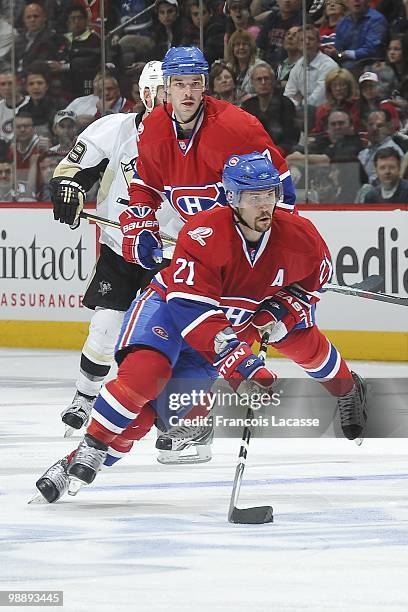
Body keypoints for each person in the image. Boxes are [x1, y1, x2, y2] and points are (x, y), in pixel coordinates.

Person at [34, 152, 368, 504]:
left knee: (143, 419)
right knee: (146, 376)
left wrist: (281, 312)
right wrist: (239, 364)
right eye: (254, 197)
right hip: (169, 314)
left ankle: (77, 464)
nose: (265, 204)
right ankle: (90, 446)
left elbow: (313, 287)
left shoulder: (300, 237)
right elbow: (191, 311)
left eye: (269, 193)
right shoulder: (204, 233)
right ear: (233, 197)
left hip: (225, 332)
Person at [49, 61, 166, 440]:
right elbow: (71, 170)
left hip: (169, 258)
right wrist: (68, 188)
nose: (178, 98)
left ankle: (174, 416)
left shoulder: (197, 139)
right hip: (120, 249)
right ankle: (85, 397)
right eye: (167, 90)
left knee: (165, 338)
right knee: (105, 327)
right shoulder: (116, 128)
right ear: (148, 94)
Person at [241, 61, 299, 155]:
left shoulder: (286, 104)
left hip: (281, 153)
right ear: (252, 82)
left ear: (273, 80)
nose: (263, 82)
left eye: (266, 78)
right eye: (259, 79)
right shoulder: (247, 106)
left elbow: (290, 138)